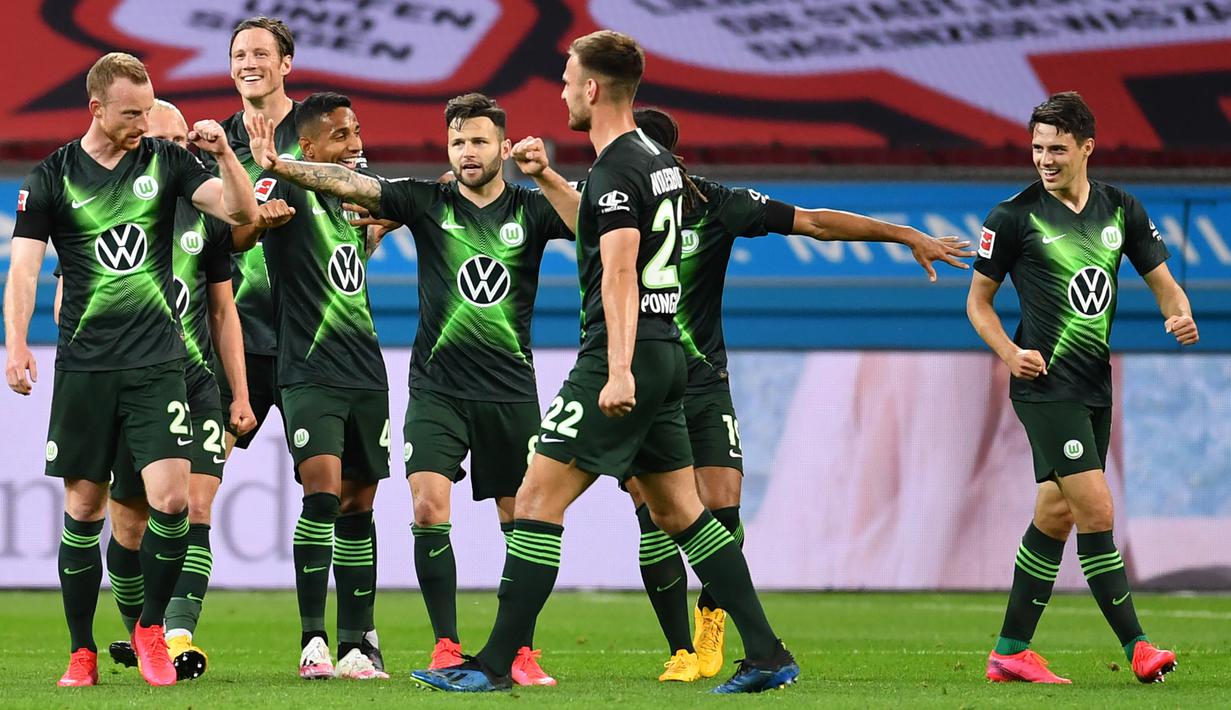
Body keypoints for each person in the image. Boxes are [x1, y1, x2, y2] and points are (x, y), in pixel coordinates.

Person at [407, 30, 797, 694]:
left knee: (534, 498)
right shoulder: (657, 159)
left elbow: (619, 274)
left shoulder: (618, 168)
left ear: (591, 88)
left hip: (625, 356)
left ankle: (497, 662)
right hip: (667, 353)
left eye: (565, 78)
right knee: (681, 512)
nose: (559, 89)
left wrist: (616, 370)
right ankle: (765, 652)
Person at [554, 106, 970, 681]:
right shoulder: (609, 194)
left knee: (721, 509)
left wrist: (902, 234)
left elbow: (816, 222)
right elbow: (555, 217)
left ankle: (712, 623)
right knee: (655, 513)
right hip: (641, 376)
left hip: (700, 383)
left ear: (673, 159)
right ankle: (681, 649)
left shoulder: (717, 203)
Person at [249, 91, 572, 686]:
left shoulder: (532, 207)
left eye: (478, 140)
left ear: (502, 145)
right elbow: (354, 189)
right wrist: (278, 166)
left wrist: (548, 174)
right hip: (436, 389)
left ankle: (520, 650)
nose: (467, 152)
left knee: (522, 518)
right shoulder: (427, 200)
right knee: (426, 507)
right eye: (457, 142)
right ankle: (445, 644)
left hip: (511, 391)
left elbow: (592, 227)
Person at [4, 52, 256, 687]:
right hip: (88, 369)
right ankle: (81, 651)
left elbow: (241, 214)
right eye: (131, 113)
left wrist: (226, 156)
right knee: (85, 511)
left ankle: (148, 626)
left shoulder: (168, 162)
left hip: (157, 365)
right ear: (96, 108)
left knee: (172, 500)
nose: (143, 122)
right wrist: (16, 342)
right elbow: (26, 271)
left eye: (149, 110)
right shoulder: (54, 176)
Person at [967, 91, 1196, 685]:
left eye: (1057, 149)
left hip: (1096, 385)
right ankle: (1139, 648)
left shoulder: (1121, 209)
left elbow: (1165, 283)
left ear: (1087, 147)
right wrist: (1009, 352)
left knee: (1057, 514)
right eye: (1037, 147)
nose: (1044, 159)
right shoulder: (1012, 217)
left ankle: (1011, 650)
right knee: (1096, 508)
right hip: (1045, 387)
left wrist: (1178, 312)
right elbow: (979, 304)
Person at [234, 92, 390, 681]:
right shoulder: (289, 189)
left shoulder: (358, 198)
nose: (355, 144)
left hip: (365, 370)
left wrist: (380, 229)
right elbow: (244, 227)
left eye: (357, 132)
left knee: (360, 504)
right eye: (342, 135)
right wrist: (256, 221)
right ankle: (313, 640)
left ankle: (357, 645)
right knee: (321, 496)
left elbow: (360, 252)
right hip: (307, 368)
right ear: (309, 146)